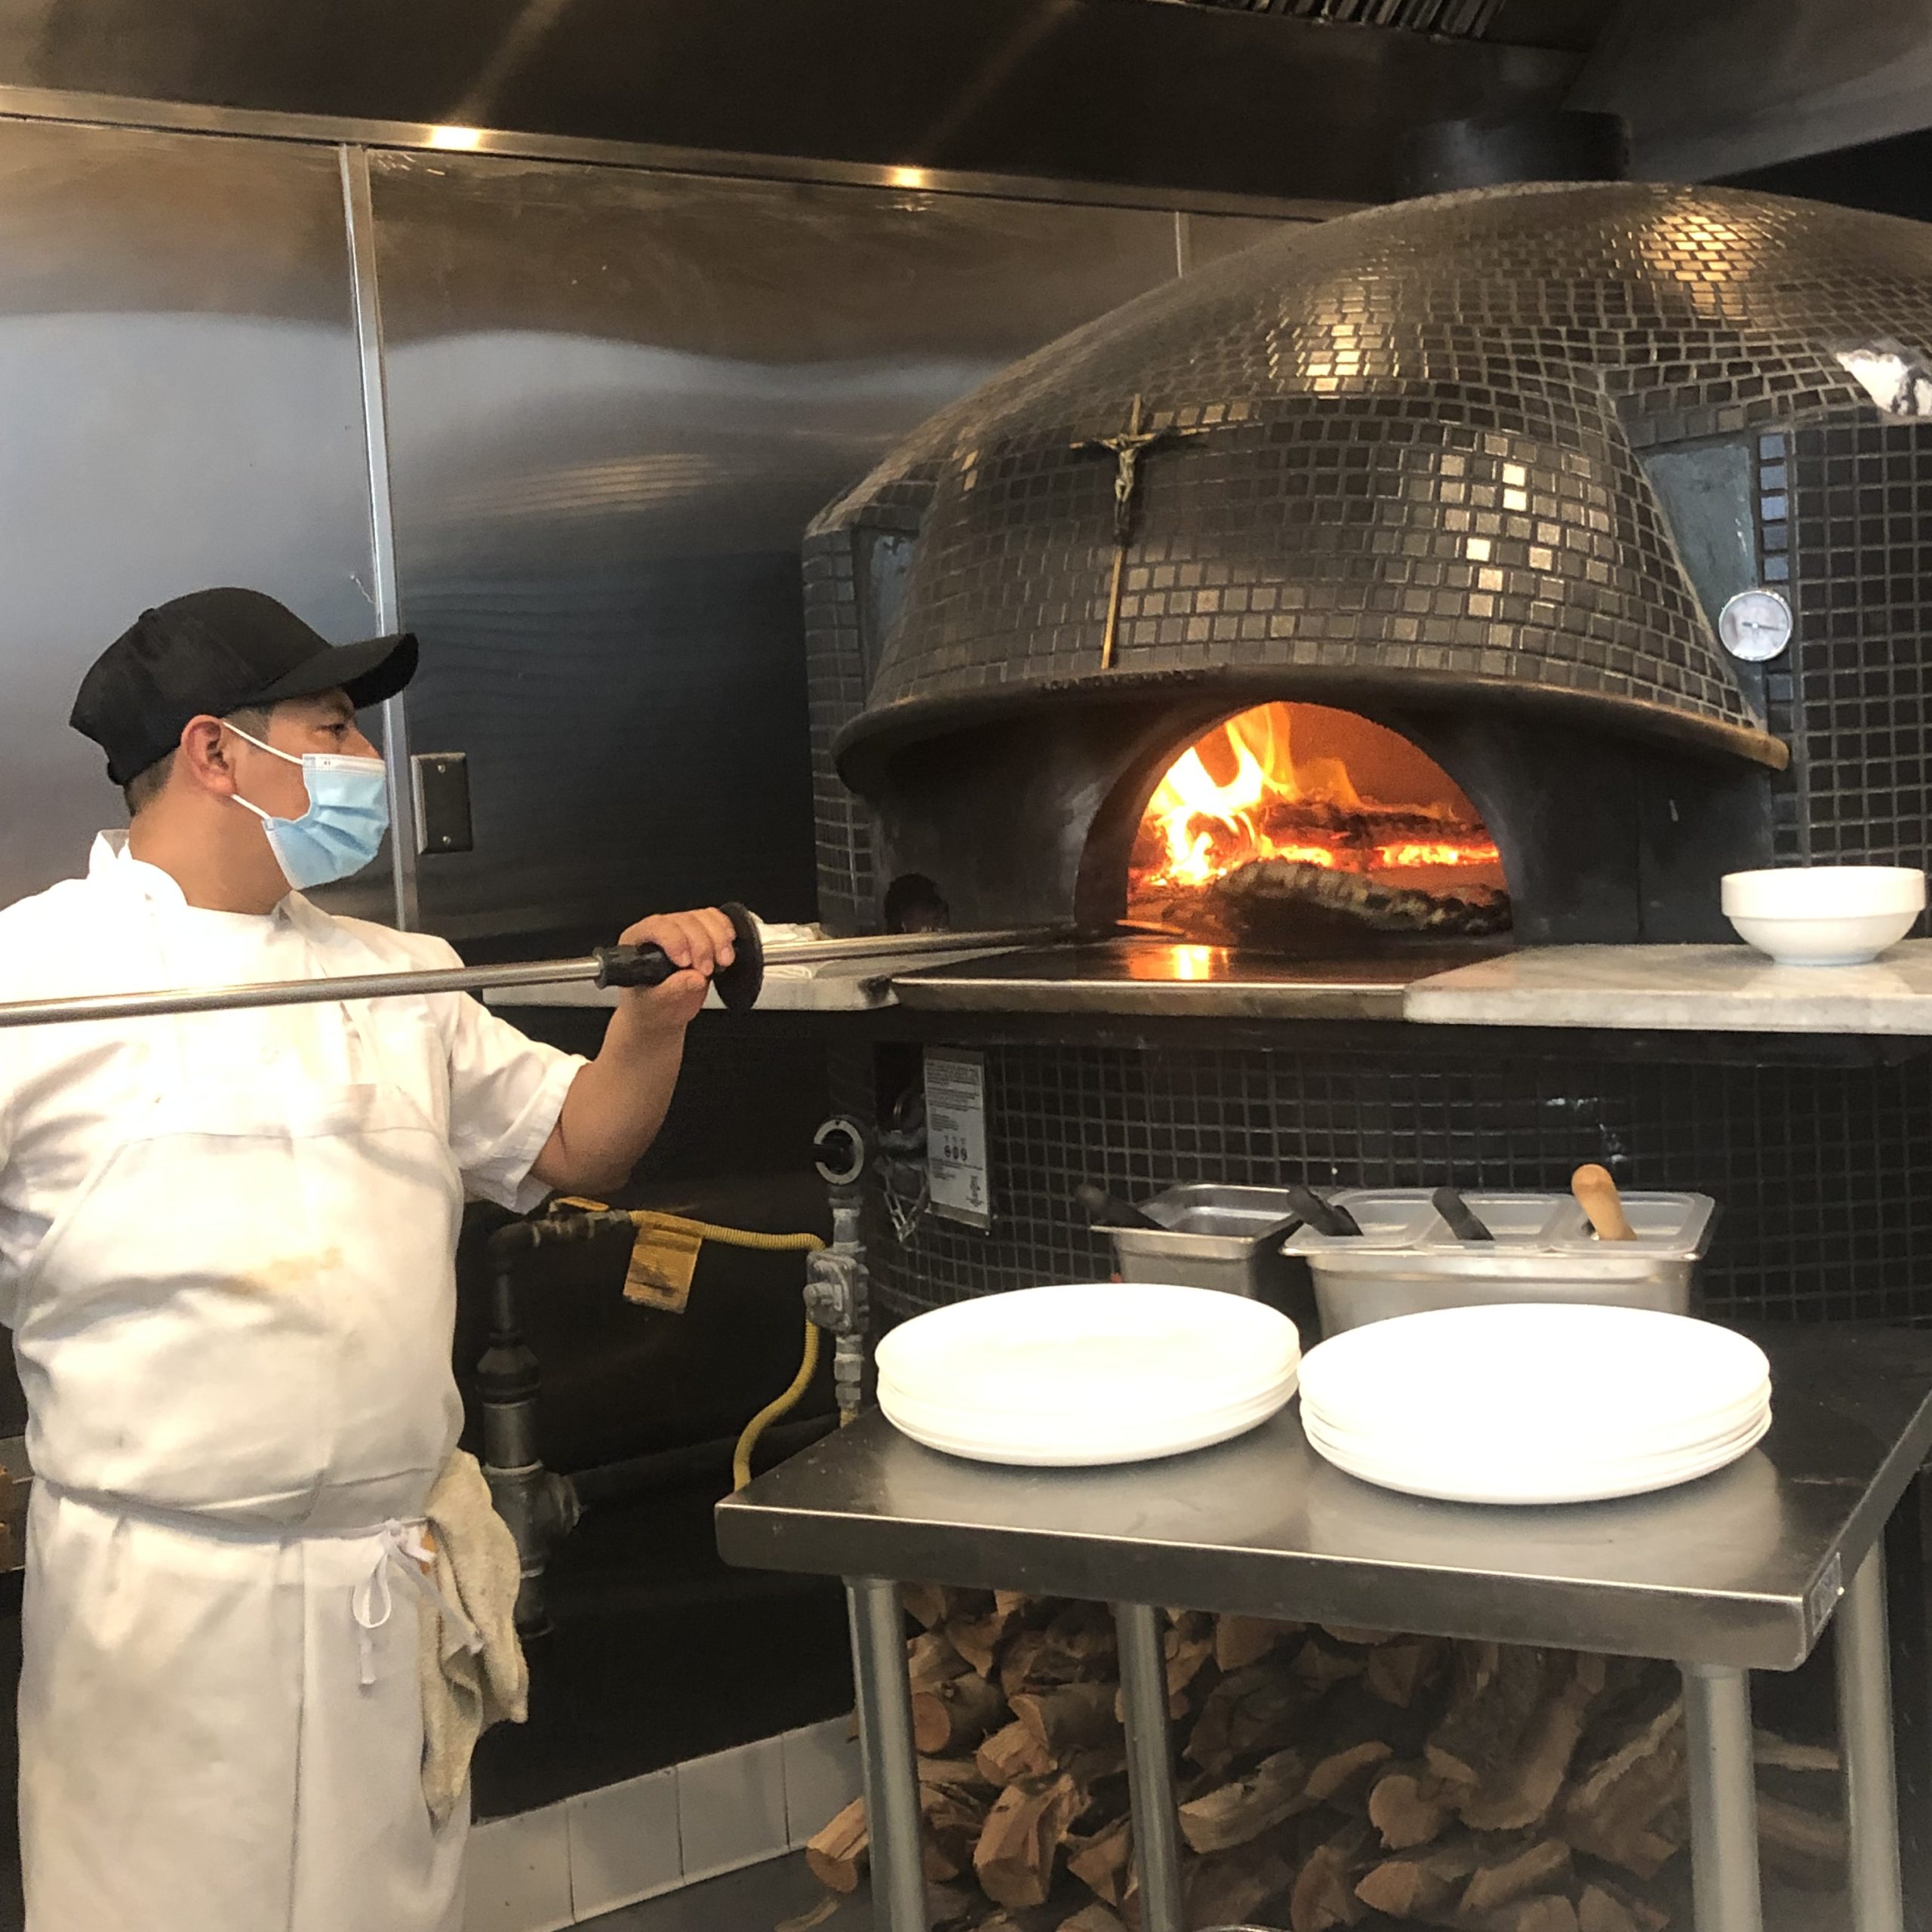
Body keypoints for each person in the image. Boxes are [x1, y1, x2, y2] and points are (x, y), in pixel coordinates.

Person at [0, 587, 737, 1930]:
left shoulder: (401, 976)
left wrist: (656, 1024)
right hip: (155, 1606)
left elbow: (577, 1145)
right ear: (216, 751)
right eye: (333, 726)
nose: (363, 761)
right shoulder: (35, 979)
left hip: (382, 1588)